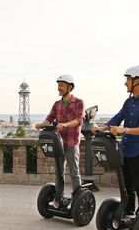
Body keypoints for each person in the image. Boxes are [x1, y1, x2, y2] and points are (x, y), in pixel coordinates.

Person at [92, 65, 139, 216]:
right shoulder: (128, 102)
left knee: (138, 185)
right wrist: (103, 128)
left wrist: (124, 130)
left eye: (128, 80)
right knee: (126, 184)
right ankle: (128, 211)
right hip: (125, 150)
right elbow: (118, 117)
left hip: (138, 151)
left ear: (137, 81)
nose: (126, 83)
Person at [35, 74, 85, 208]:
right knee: (59, 172)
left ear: (70, 87)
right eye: (58, 85)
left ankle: (76, 200)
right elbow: (49, 118)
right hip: (58, 144)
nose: (59, 88)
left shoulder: (79, 102)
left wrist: (65, 124)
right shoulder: (57, 104)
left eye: (61, 85)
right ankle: (59, 198)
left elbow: (79, 120)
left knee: (74, 172)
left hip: (71, 143)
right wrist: (41, 124)